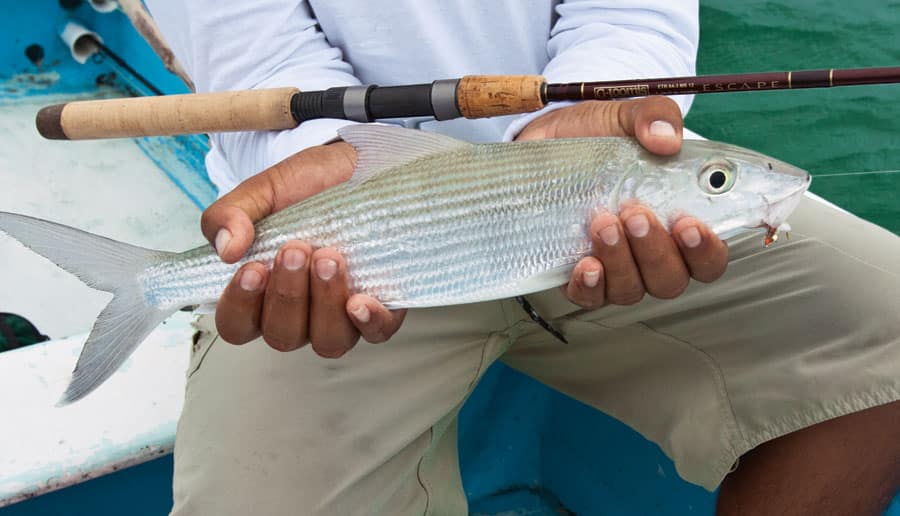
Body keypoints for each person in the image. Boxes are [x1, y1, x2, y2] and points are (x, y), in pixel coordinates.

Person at [145, 1, 900, 514]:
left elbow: (629, 9)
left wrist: (599, 98)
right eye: (720, 182)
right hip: (349, 235)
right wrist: (329, 155)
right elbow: (249, 42)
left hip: (597, 175)